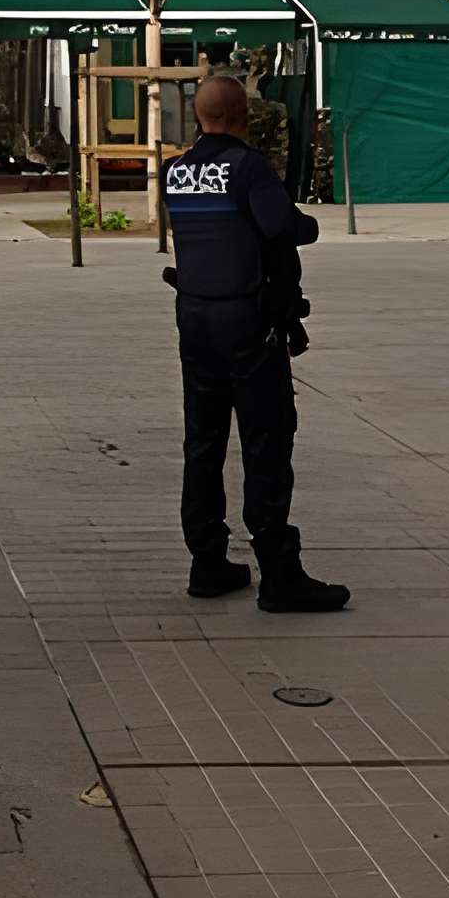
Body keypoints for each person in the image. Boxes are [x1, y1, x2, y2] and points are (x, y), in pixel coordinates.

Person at [164, 72, 348, 613]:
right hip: (249, 326)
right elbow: (284, 228)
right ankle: (279, 574)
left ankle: (208, 562)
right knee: (266, 443)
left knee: (203, 442)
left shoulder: (177, 172)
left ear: (199, 117)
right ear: (242, 115)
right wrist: (308, 223)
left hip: (195, 324)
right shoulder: (247, 168)